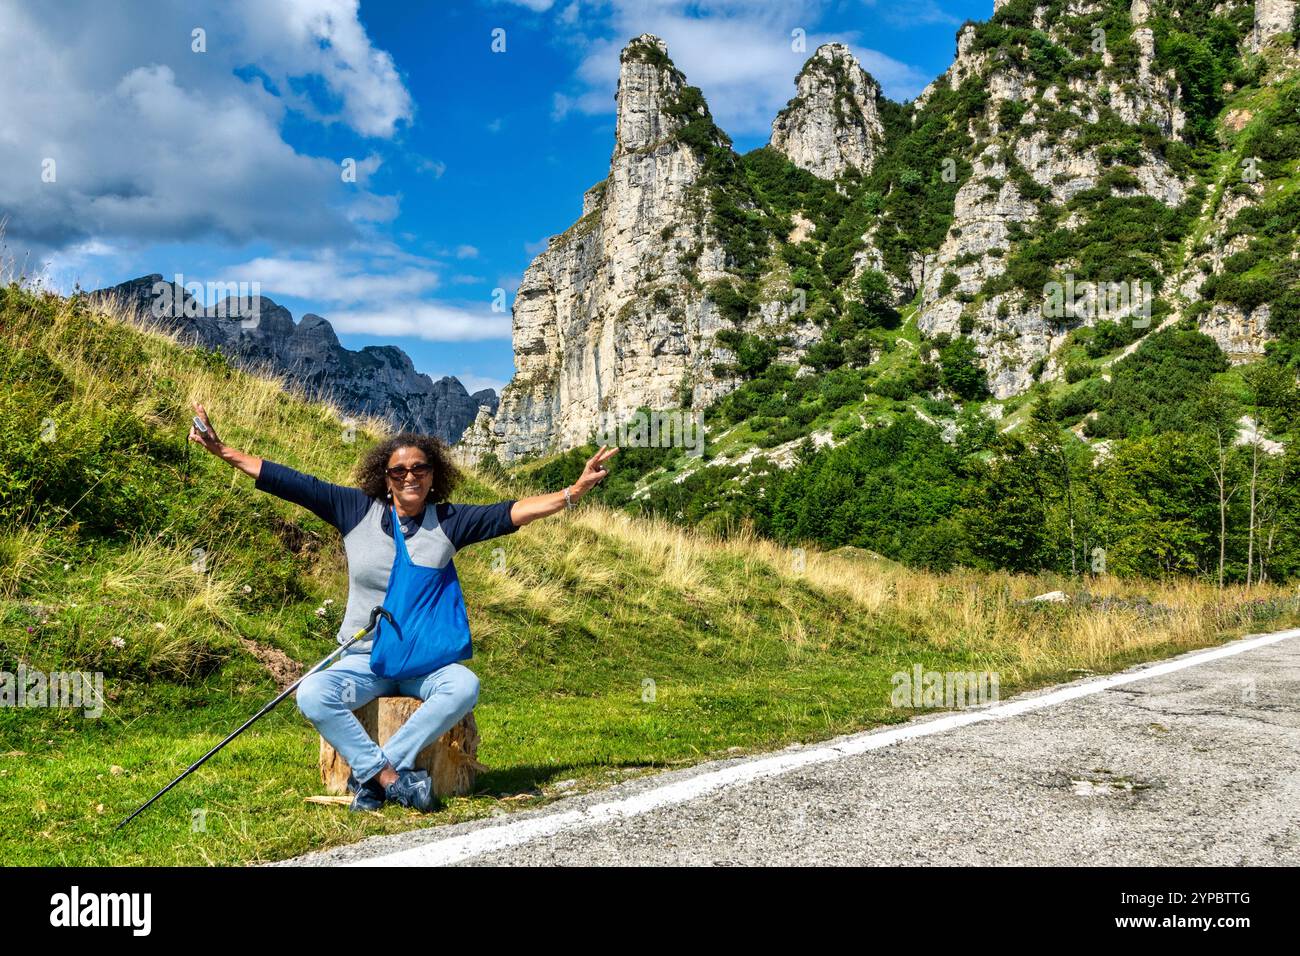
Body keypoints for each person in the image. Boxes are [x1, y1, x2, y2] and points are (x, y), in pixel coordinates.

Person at [187, 402, 618, 812]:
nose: (409, 476)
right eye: (399, 470)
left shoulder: (449, 521)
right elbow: (290, 481)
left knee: (464, 686)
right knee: (313, 692)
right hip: (363, 660)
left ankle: (373, 773)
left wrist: (574, 491)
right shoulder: (355, 509)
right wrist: (220, 449)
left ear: (433, 474)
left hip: (419, 665)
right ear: (385, 475)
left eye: (419, 468)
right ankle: (390, 779)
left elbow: (513, 512)